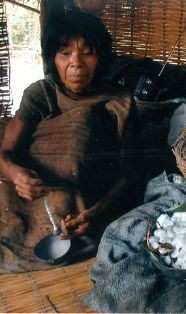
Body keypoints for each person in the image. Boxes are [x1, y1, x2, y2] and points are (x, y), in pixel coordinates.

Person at [0, 9, 137, 272]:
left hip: (82, 203)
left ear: (101, 57)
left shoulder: (120, 102)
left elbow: (129, 174)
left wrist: (97, 214)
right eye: (65, 53)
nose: (76, 63)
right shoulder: (42, 94)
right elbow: (5, 154)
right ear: (53, 58)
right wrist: (16, 175)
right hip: (27, 195)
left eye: (87, 52)